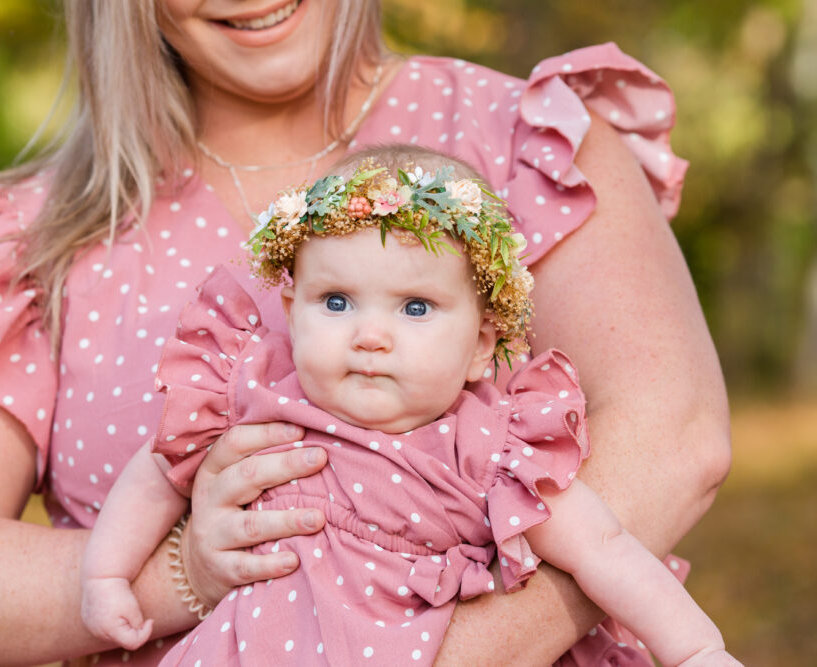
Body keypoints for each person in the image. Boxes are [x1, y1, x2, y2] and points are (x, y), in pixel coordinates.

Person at [0, 2, 731, 665]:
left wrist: (441, 652)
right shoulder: (42, 236)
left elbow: (675, 433)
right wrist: (180, 575)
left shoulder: (516, 138)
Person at [81, 145, 740, 667]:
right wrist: (108, 573)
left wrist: (695, 647)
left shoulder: (490, 448)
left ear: (483, 346)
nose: (370, 334)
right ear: (290, 309)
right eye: (336, 301)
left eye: (415, 307)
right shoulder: (253, 392)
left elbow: (605, 547)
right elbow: (160, 469)